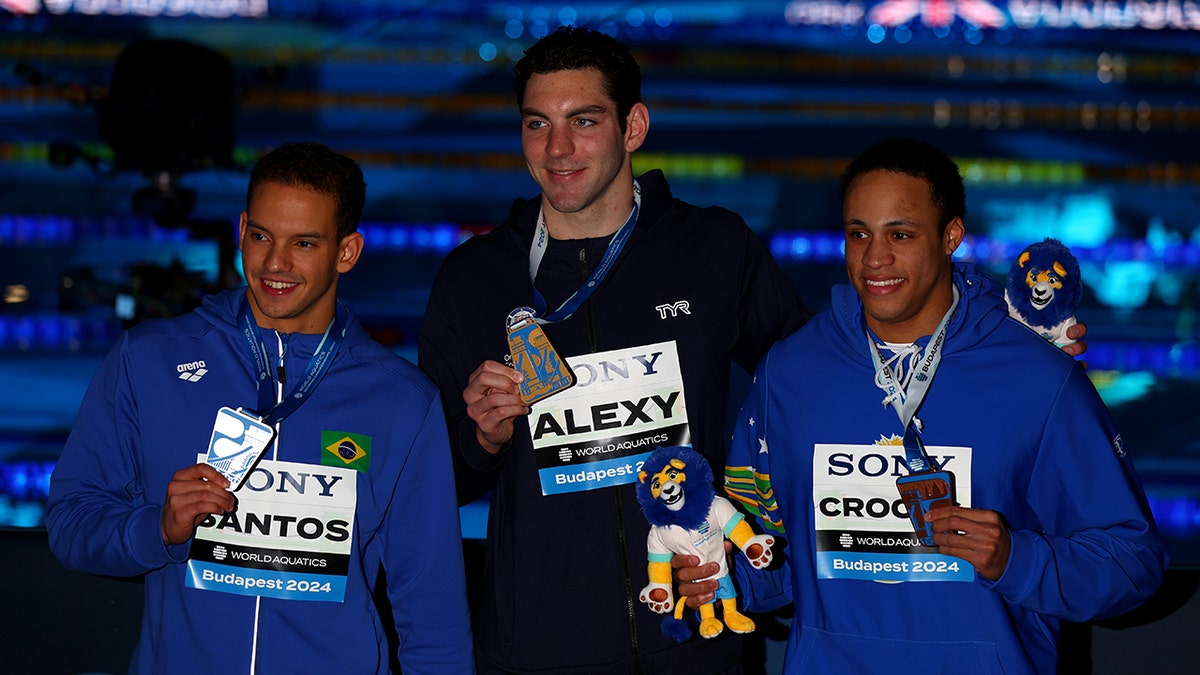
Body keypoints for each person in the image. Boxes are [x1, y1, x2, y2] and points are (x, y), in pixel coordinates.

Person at [677, 137, 1168, 674]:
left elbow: (1133, 562)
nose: (874, 257)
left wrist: (1016, 559)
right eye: (858, 233)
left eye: (900, 234)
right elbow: (773, 552)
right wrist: (726, 575)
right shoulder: (789, 373)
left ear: (950, 236)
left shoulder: (1037, 375)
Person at [417, 25, 812, 673]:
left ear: (633, 127)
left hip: (695, 642)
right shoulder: (474, 279)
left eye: (584, 121)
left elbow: (810, 400)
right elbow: (439, 485)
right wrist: (482, 438)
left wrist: (751, 538)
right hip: (539, 651)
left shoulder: (713, 250)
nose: (557, 148)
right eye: (537, 124)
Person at [46, 142, 475, 674]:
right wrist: (157, 529)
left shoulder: (401, 401)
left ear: (347, 252)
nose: (275, 264)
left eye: (304, 243)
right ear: (242, 228)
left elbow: (432, 610)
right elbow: (71, 523)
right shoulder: (150, 359)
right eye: (261, 236)